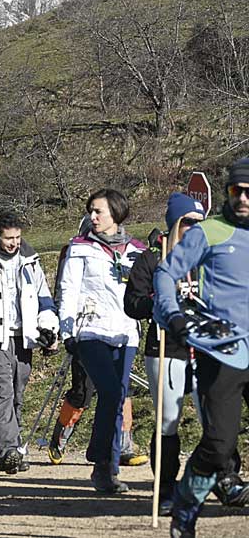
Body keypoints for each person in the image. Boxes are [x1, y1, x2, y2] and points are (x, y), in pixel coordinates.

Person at [156, 159, 249, 538]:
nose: (242, 198)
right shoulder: (209, 232)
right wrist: (173, 317)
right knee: (219, 442)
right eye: (235, 191)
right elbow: (165, 274)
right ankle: (185, 506)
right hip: (222, 350)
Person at [57, 188, 146, 494]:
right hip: (90, 330)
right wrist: (67, 330)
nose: (92, 217)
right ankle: (102, 459)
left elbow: (143, 290)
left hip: (125, 332)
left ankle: (107, 470)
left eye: (99, 212)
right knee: (109, 391)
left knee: (118, 396)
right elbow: (68, 289)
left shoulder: (136, 249)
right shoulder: (80, 247)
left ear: (116, 214)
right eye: (90, 211)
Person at [125, 192, 207, 514]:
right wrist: (157, 304)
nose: (194, 229)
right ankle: (166, 490)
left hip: (204, 349)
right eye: (188, 222)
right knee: (168, 421)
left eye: (200, 223)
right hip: (165, 347)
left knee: (214, 421)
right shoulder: (152, 258)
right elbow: (131, 303)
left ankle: (221, 481)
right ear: (175, 224)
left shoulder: (206, 257)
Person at [0, 211, 58, 474]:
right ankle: (7, 450)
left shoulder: (31, 262)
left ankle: (15, 449)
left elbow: (44, 299)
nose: (14, 243)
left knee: (17, 395)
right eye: (9, 238)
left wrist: (48, 329)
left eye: (18, 237)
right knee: (3, 394)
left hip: (24, 338)